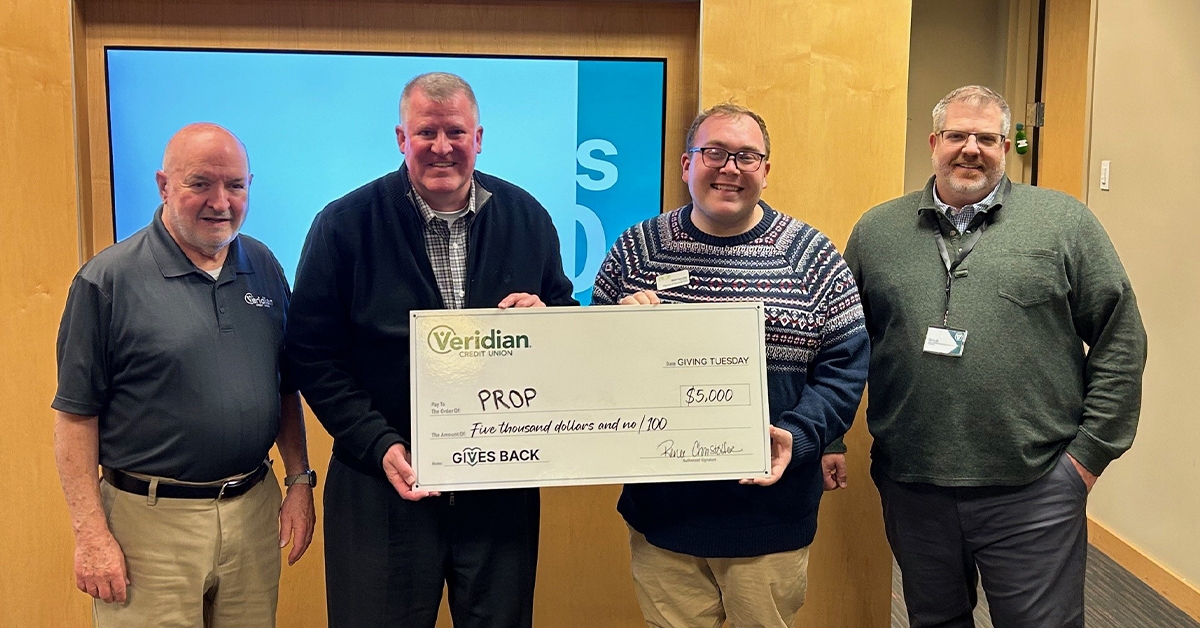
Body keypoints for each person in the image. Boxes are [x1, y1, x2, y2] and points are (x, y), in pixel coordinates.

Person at [844, 85, 1148, 627]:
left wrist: (1088, 457)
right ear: (934, 142)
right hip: (914, 482)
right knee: (934, 620)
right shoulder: (877, 231)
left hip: (1033, 486)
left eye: (987, 138)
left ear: (1006, 147)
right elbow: (845, 344)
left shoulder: (1062, 223)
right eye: (957, 135)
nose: (971, 148)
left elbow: (1120, 337)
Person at [285, 72, 576, 628]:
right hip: (381, 485)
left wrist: (550, 323)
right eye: (426, 133)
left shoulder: (527, 217)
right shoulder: (344, 225)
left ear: (479, 137)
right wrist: (378, 444)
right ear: (401, 138)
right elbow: (312, 353)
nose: (442, 147)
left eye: (456, 132)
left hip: (498, 487)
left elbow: (565, 324)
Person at [592, 103, 869, 628]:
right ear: (685, 164)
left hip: (770, 514)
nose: (729, 168)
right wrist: (616, 332)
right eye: (713, 152)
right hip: (665, 515)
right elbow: (594, 372)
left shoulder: (812, 255)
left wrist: (802, 434)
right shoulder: (636, 250)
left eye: (746, 156)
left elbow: (845, 368)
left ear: (766, 169)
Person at [52, 123, 316, 627]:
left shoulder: (262, 264)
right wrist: (90, 536)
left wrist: (299, 479)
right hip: (148, 528)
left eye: (235, 186)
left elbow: (284, 385)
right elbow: (75, 418)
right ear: (164, 186)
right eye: (201, 183)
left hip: (251, 513)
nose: (220, 201)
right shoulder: (106, 281)